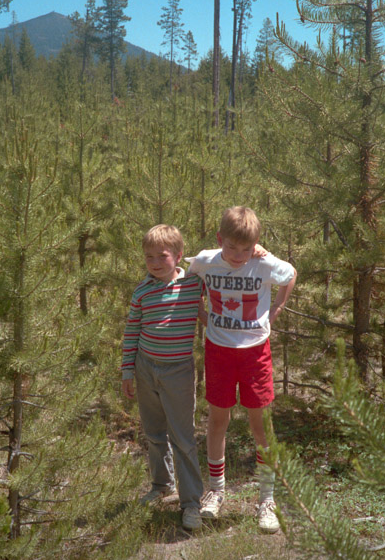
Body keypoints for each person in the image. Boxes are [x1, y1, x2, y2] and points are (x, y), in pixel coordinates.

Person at [187, 206, 297, 533]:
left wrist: (275, 309)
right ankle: (216, 492)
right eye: (231, 247)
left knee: (259, 421)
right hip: (219, 351)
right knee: (218, 418)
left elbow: (290, 275)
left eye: (245, 249)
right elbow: (190, 280)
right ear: (220, 239)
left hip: (254, 353)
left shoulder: (263, 262)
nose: (237, 255)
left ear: (256, 244)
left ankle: (267, 499)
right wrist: (202, 316)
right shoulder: (206, 260)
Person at [121, 224, 204, 530]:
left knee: (182, 438)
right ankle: (161, 485)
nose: (155, 262)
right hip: (145, 368)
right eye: (149, 256)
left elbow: (224, 263)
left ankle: (191, 501)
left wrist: (258, 251)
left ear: (179, 255)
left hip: (178, 371)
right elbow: (131, 332)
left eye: (162, 256)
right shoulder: (142, 291)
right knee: (154, 432)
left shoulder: (194, 283)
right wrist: (127, 370)